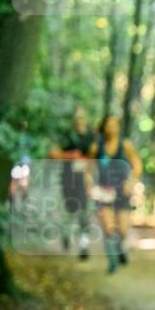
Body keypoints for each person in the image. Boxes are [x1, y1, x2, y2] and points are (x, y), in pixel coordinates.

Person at [88, 115, 142, 274]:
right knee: (108, 227)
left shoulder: (125, 145)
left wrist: (131, 181)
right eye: (108, 124)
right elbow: (88, 169)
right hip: (103, 191)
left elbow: (137, 165)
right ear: (103, 127)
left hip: (122, 192)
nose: (111, 128)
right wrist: (89, 184)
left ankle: (120, 248)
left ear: (118, 126)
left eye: (114, 124)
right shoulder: (96, 147)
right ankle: (112, 261)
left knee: (123, 229)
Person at [49, 106, 94, 259]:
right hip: (67, 177)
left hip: (85, 178)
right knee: (69, 209)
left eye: (81, 117)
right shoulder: (66, 136)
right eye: (76, 117)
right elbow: (53, 154)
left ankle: (84, 246)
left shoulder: (91, 136)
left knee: (84, 212)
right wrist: (70, 156)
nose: (79, 120)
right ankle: (66, 234)